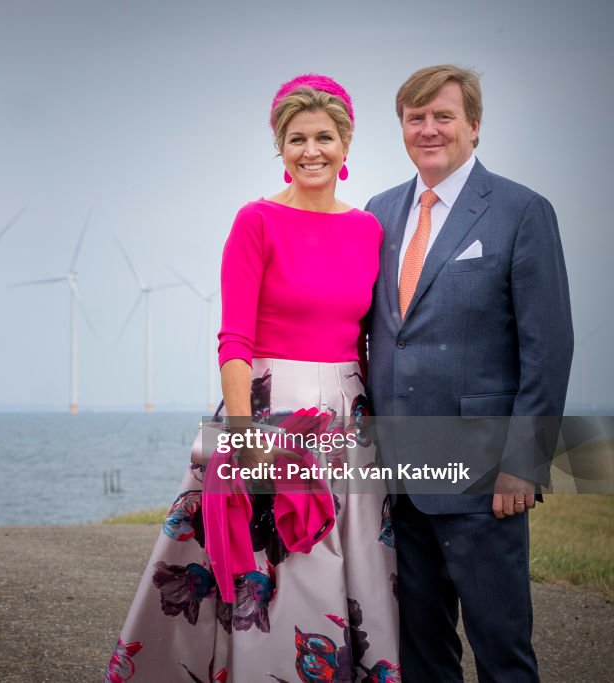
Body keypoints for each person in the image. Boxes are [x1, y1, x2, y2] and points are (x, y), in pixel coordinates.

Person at [106, 75, 400, 682]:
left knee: (358, 568)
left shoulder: (369, 229)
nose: (311, 150)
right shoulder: (255, 222)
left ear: (346, 144)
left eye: (324, 136)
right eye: (297, 139)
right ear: (280, 146)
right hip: (267, 413)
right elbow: (234, 339)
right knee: (277, 571)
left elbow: (369, 337)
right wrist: (242, 439)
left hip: (349, 419)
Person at [364, 65, 573, 682]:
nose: (429, 129)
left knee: (502, 650)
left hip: (485, 478)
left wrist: (525, 462)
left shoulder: (522, 211)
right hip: (398, 476)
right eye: (415, 118)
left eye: (443, 116)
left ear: (473, 125)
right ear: (402, 127)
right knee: (423, 654)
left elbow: (548, 349)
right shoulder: (379, 214)